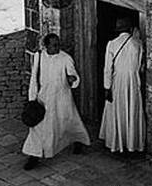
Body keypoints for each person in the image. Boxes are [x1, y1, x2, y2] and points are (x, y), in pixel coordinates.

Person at [22, 33, 92, 170]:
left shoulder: (65, 58)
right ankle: (33, 155)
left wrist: (73, 79)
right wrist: (31, 99)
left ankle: (78, 140)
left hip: (62, 97)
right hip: (44, 98)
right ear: (46, 45)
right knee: (38, 127)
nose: (57, 47)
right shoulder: (39, 57)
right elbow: (34, 78)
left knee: (68, 120)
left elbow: (74, 76)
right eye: (54, 45)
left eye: (58, 44)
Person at [100, 14, 145, 155]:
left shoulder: (112, 44)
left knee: (118, 110)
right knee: (132, 109)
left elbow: (107, 69)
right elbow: (140, 66)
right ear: (130, 28)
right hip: (133, 80)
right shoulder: (138, 44)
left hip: (118, 80)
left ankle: (117, 143)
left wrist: (107, 87)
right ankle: (132, 143)